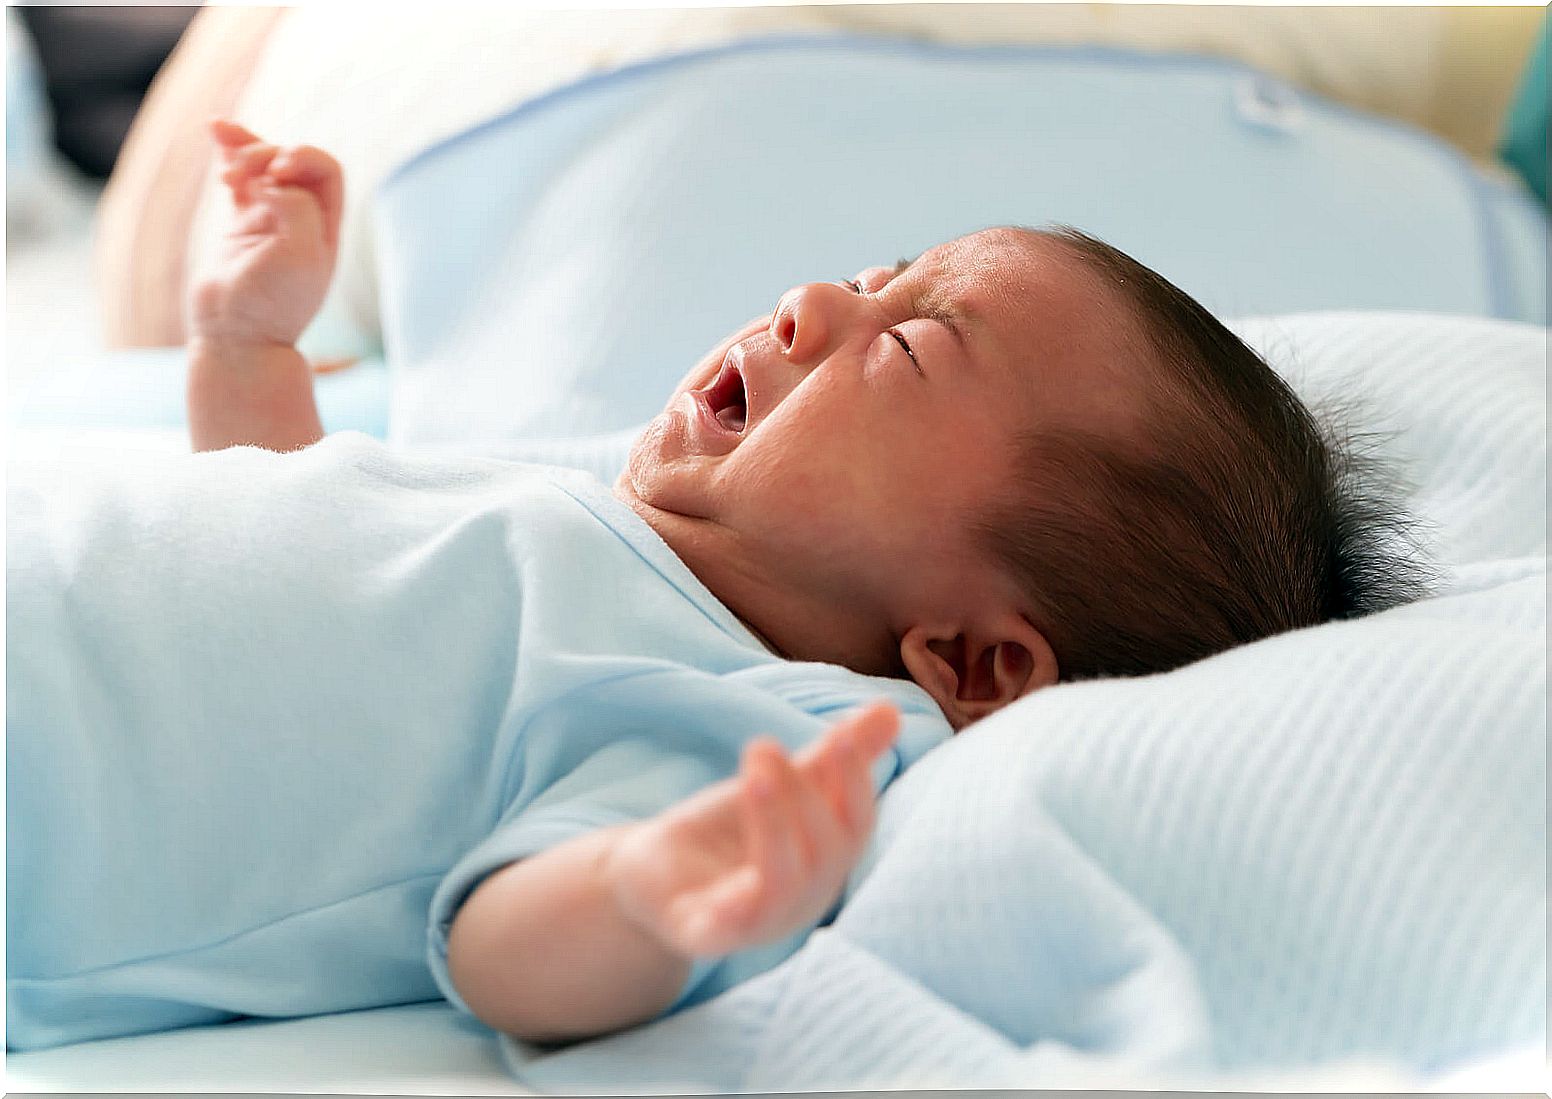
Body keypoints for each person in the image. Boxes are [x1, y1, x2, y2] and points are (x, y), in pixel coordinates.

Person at [4, 122, 1420, 1052]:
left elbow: (503, 948)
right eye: (881, 278)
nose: (812, 304)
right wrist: (248, 353)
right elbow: (279, 555)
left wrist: (648, 895)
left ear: (976, 663)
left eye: (907, 349)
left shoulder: (754, 718)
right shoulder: (585, 525)